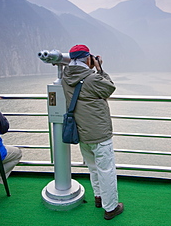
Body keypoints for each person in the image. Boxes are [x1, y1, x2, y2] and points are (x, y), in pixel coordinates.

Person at [62, 44, 124, 220]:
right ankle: (111, 207)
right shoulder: (92, 78)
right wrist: (100, 69)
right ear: (88, 58)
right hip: (99, 133)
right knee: (106, 170)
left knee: (93, 167)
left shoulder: (65, 76)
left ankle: (98, 197)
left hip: (81, 132)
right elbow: (109, 88)